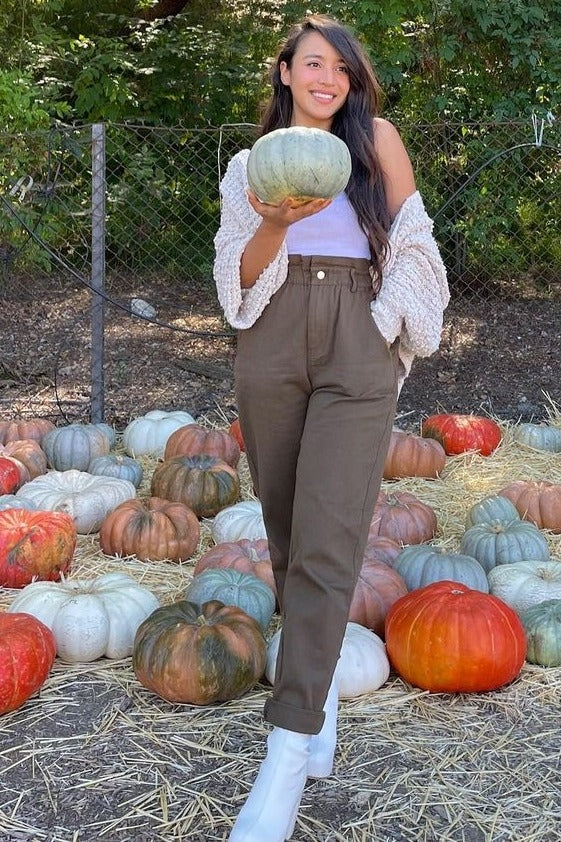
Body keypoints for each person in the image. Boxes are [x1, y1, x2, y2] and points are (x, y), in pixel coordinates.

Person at [213, 13, 449, 842]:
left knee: (327, 538)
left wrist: (382, 328)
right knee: (286, 533)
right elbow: (238, 275)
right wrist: (275, 221)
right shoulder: (251, 164)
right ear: (284, 71)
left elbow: (414, 243)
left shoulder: (375, 142)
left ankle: (284, 754)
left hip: (356, 339)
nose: (327, 79)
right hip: (272, 338)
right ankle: (317, 710)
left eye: (341, 69)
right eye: (313, 64)